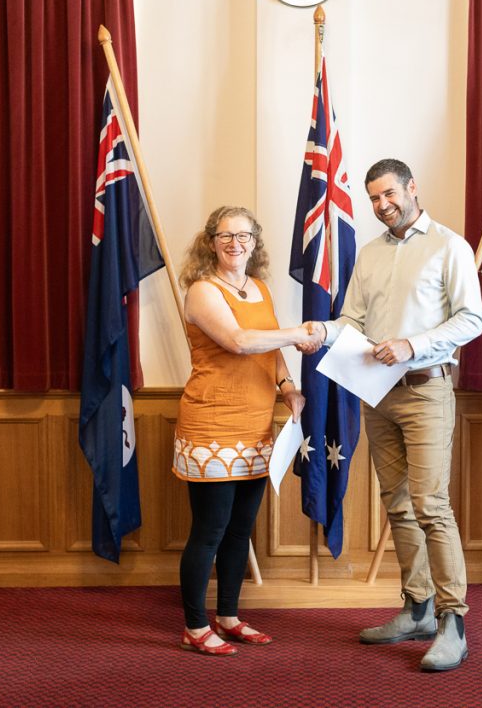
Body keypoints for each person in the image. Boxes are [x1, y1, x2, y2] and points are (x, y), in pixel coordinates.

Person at [304, 159, 482, 671]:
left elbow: (472, 319)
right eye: (374, 199)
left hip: (427, 391)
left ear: (412, 188)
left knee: (431, 505)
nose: (383, 206)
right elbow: (353, 320)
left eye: (389, 195)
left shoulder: (450, 246)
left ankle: (454, 623)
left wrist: (413, 345)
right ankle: (418, 608)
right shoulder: (369, 254)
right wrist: (323, 330)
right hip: (377, 395)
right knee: (399, 505)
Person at [173, 205, 321, 657]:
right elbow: (239, 341)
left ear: (255, 242)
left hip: (256, 426)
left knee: (241, 530)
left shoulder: (257, 287)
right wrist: (298, 333)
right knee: (210, 530)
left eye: (244, 236)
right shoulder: (202, 290)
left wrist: (288, 386)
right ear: (210, 242)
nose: (235, 244)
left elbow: (268, 347)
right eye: (225, 236)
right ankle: (195, 626)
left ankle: (230, 616)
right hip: (212, 426)